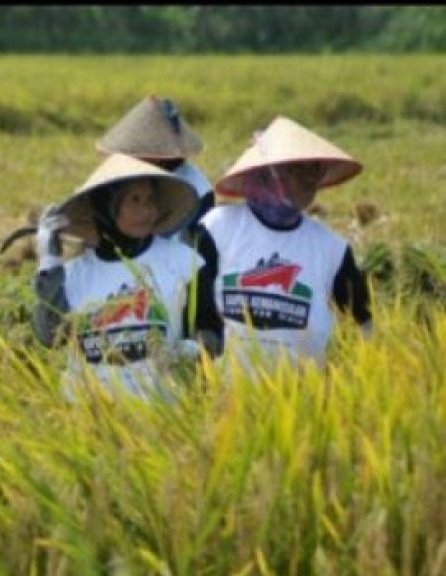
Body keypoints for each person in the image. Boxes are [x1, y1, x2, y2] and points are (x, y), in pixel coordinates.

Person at [191, 116, 371, 371]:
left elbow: (364, 324)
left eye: (315, 169)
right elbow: (195, 310)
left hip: (301, 398)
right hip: (225, 395)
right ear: (268, 173)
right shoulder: (218, 227)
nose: (310, 179)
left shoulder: (332, 249)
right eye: (298, 169)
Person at [32, 153, 205, 400]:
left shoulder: (181, 261)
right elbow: (49, 335)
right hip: (90, 413)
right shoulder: (72, 275)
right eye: (135, 200)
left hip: (161, 415)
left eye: (150, 199)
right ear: (107, 208)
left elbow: (212, 329)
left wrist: (189, 350)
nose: (146, 210)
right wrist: (48, 261)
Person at [96, 95, 214, 243]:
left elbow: (200, 244)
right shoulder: (131, 177)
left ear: (158, 157)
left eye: (136, 154)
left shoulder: (197, 188)